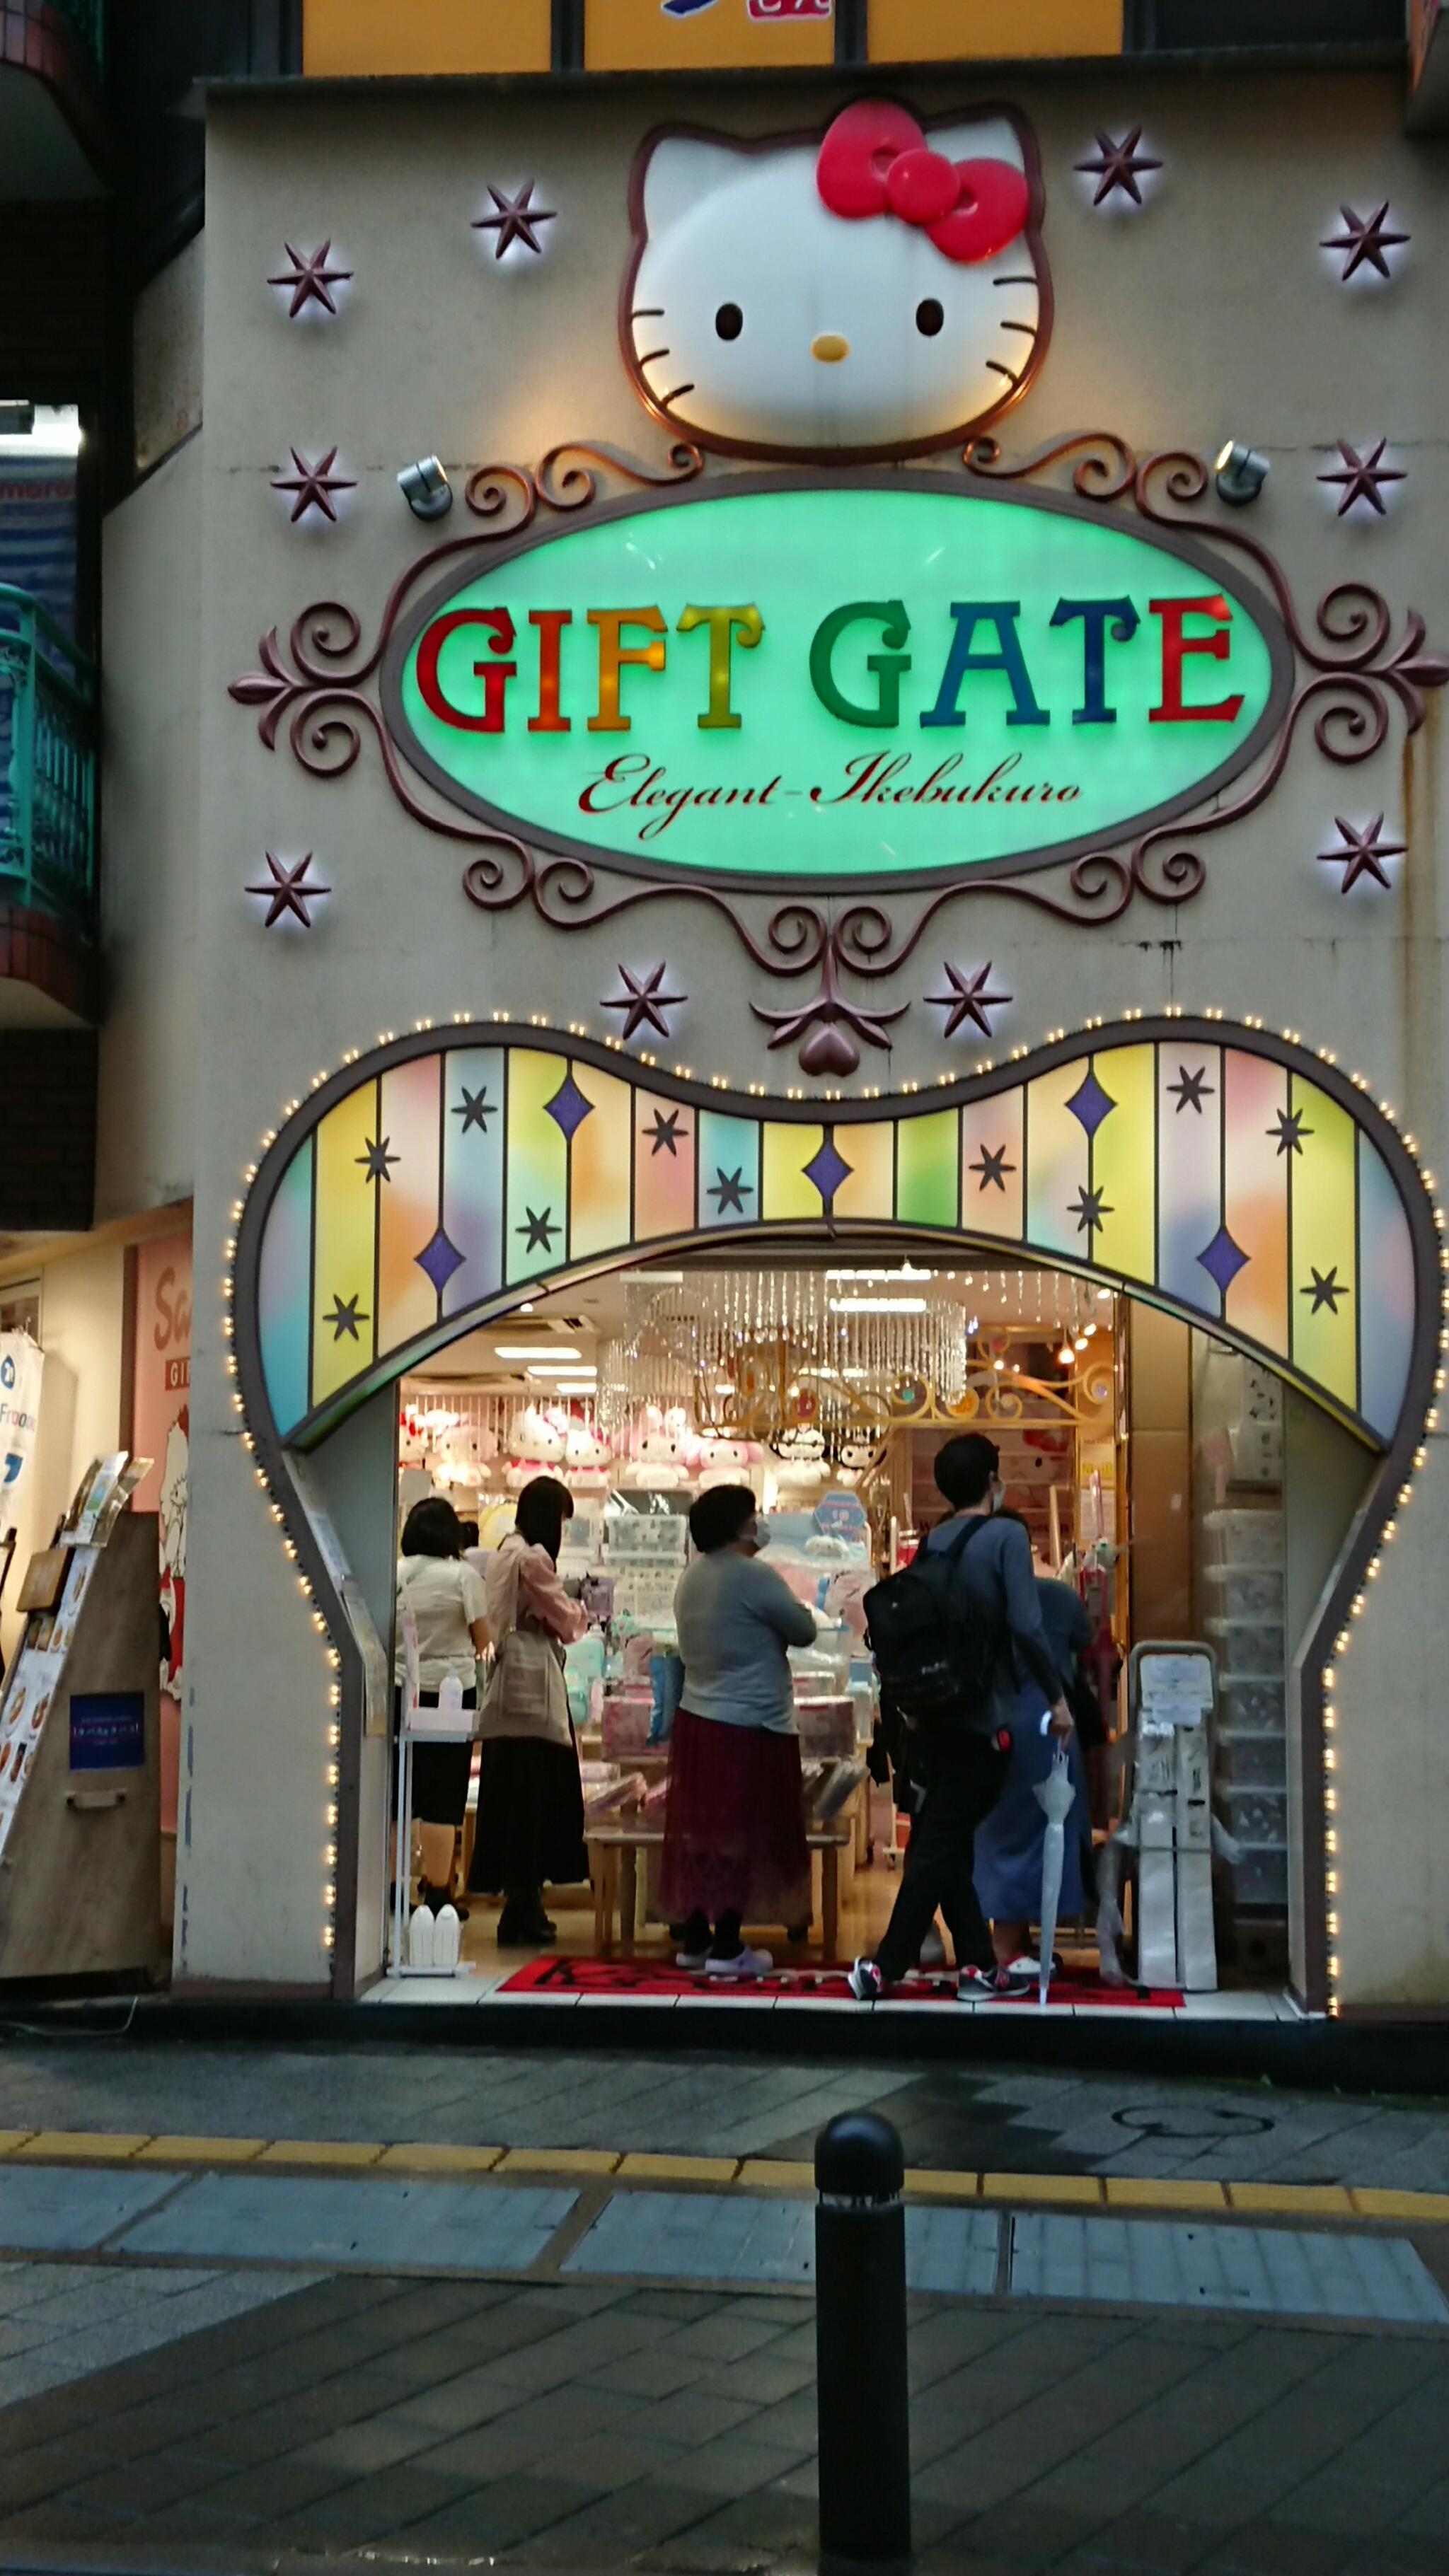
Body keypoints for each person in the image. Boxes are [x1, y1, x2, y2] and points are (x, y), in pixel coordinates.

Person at [849, 1432, 1073, 2004]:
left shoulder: (936, 1541)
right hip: (984, 1717)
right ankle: (886, 1966)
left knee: (943, 1839)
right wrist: (1056, 1698)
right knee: (940, 1843)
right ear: (993, 1482)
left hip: (930, 1715)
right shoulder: (1006, 1536)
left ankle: (977, 1965)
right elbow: (1026, 1625)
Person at [662, 1484, 816, 1979]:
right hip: (751, 1725)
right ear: (739, 1526)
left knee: (703, 1831)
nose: (761, 1522)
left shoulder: (691, 1579)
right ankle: (729, 1946)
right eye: (755, 1515)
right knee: (742, 1833)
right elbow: (805, 1630)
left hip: (698, 1721)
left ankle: (697, 1936)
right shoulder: (755, 1576)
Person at [972, 1513, 1095, 1974]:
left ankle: (1011, 1941)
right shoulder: (1060, 1598)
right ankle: (1007, 1950)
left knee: (1003, 1834)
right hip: (1050, 1726)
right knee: (1042, 1831)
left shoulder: (979, 1597)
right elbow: (1086, 1637)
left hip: (992, 1725)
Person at [468, 1475, 588, 1946]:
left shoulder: (504, 1551)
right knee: (538, 1803)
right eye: (561, 1519)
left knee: (510, 1802)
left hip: (505, 1691)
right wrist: (577, 1611)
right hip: (534, 1688)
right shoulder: (534, 1558)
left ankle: (518, 1906)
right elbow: (568, 1621)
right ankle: (526, 1906)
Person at [394, 1496, 491, 1915]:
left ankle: (394, 1887)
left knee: (401, 1792)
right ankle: (437, 1892)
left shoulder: (395, 1573)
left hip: (402, 1689)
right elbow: (483, 1641)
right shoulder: (463, 1577)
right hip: (452, 1694)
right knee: (442, 1796)